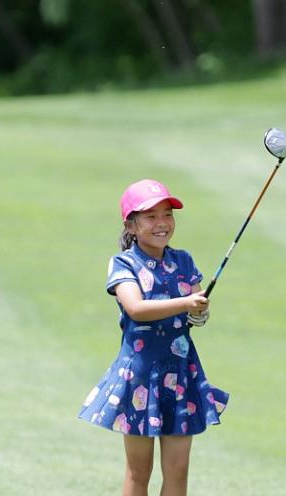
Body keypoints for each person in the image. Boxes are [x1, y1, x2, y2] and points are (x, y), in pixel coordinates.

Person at [78, 179, 228, 496]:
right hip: (140, 376)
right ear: (131, 225)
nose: (162, 223)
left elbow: (196, 310)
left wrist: (198, 311)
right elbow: (135, 308)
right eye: (151, 216)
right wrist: (186, 303)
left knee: (178, 470)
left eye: (167, 215)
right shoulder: (123, 263)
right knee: (138, 472)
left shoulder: (184, 261)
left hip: (181, 373)